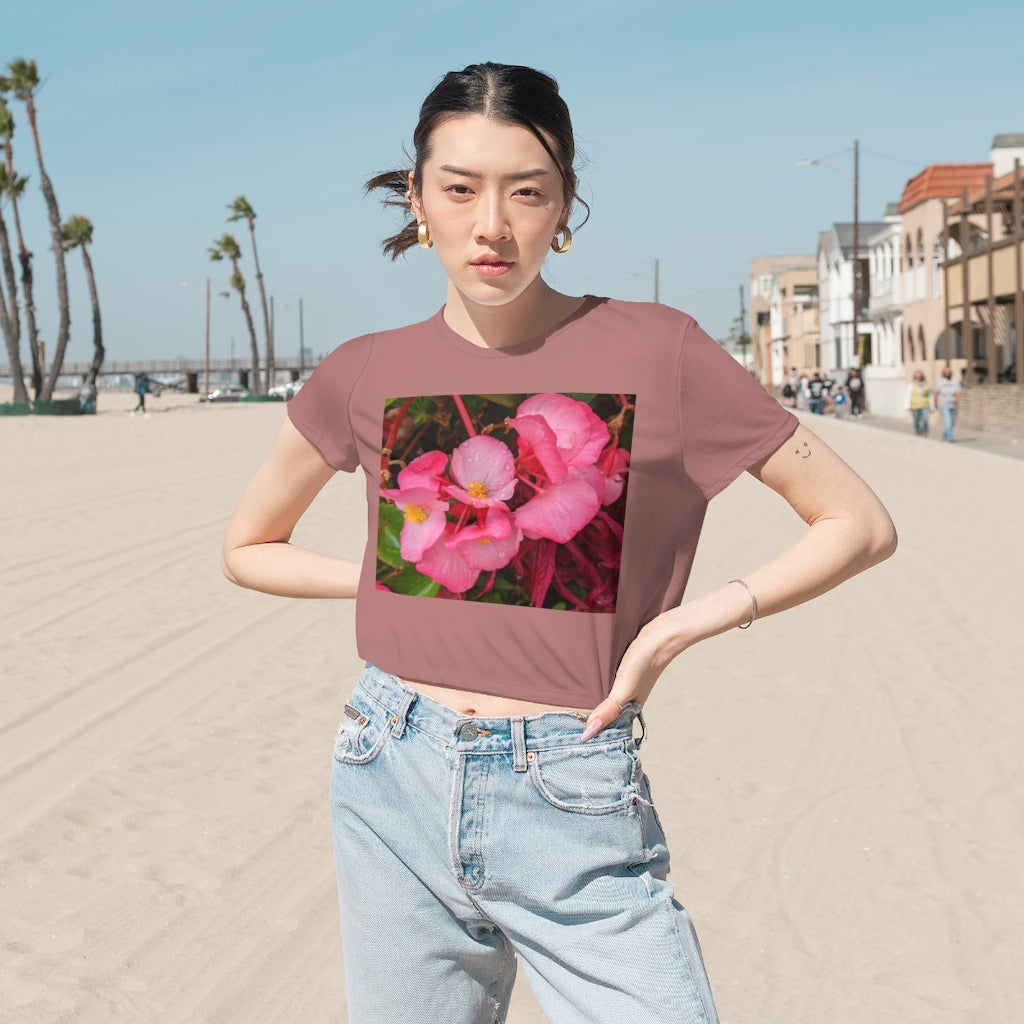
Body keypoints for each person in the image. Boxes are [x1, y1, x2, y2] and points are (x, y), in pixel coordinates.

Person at [221, 63, 897, 1024]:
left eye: (526, 192)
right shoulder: (362, 370)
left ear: (566, 205)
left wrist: (678, 630)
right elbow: (249, 546)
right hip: (388, 764)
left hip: (570, 781)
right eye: (459, 188)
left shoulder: (660, 350)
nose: (491, 224)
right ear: (417, 199)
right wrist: (385, 577)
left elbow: (858, 523)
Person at [933, 365, 961, 441]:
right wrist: (934, 403)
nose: (947, 373)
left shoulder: (954, 381)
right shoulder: (940, 381)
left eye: (948, 372)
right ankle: (949, 437)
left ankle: (946, 433)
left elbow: (958, 391)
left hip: (953, 405)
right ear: (943, 373)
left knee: (951, 422)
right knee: (948, 420)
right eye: (946, 372)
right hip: (944, 404)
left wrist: (956, 399)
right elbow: (936, 393)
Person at [905, 370, 932, 436]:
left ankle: (925, 432)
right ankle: (918, 432)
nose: (918, 377)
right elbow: (908, 395)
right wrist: (907, 406)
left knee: (925, 419)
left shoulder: (926, 384)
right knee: (916, 420)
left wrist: (932, 406)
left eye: (920, 376)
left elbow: (930, 396)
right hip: (915, 406)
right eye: (917, 376)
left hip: (925, 405)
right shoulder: (911, 385)